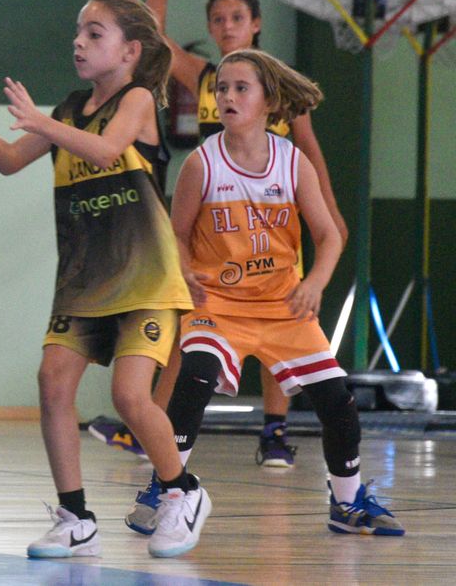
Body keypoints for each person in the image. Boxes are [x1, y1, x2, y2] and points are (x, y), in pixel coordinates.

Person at [0, 0, 208, 559]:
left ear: (129, 51)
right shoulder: (68, 111)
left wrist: (42, 125)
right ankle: (75, 517)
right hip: (83, 279)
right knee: (52, 385)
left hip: (145, 275)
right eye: (78, 32)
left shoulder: (138, 101)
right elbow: (8, 160)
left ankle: (183, 492)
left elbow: (106, 152)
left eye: (94, 33)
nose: (79, 41)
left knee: (129, 395)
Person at [90, 0, 348, 470]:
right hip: (212, 220)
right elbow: (153, 40)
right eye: (218, 20)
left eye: (237, 18)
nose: (227, 26)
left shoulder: (274, 86)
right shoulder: (208, 78)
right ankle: (154, 431)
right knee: (193, 330)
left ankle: (274, 430)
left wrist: (329, 212)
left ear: (255, 24)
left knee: (280, 317)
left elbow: (309, 148)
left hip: (270, 222)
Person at [124, 49, 403, 539]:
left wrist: (314, 283)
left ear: (269, 100)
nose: (227, 96)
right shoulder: (202, 164)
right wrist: (186, 271)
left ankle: (347, 501)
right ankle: (166, 488)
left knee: (337, 400)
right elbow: (178, 232)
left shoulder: (292, 163)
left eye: (240, 88)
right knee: (195, 374)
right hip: (219, 304)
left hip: (282, 304)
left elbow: (331, 234)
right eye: (222, 88)